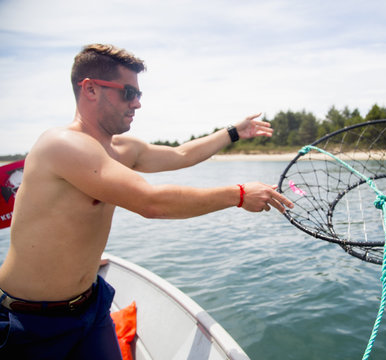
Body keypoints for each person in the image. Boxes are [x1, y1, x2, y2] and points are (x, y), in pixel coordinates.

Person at [0, 44, 293, 359]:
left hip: (91, 306)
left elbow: (181, 154)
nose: (137, 103)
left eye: (139, 94)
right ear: (90, 89)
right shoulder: (62, 145)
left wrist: (233, 132)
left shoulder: (121, 148)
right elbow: (151, 202)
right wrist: (237, 195)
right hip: (30, 322)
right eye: (128, 92)